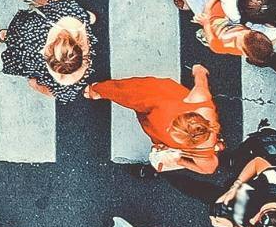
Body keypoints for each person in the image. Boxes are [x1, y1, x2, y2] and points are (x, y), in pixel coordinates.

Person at [162, 127, 276, 227]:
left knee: (197, 190)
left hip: (239, 201)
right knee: (235, 161)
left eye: (255, 225)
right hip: (247, 178)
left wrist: (231, 226)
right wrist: (234, 187)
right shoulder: (274, 184)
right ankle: (225, 158)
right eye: (259, 217)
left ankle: (164, 173)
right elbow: (257, 162)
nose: (251, 221)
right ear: (274, 210)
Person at [85, 65, 221, 174]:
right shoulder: (203, 149)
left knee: (131, 92)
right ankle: (101, 90)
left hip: (161, 106)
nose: (168, 128)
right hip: (162, 99)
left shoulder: (202, 103)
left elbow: (210, 169)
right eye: (173, 127)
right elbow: (208, 168)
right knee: (132, 91)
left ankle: (100, 90)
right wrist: (179, 160)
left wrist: (199, 70)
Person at [0, 0, 98, 102]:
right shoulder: (69, 87)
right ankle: (5, 36)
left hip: (29, 35)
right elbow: (38, 85)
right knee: (17, 36)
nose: (43, 50)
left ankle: (5, 36)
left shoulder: (71, 14)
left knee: (16, 37)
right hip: (29, 38)